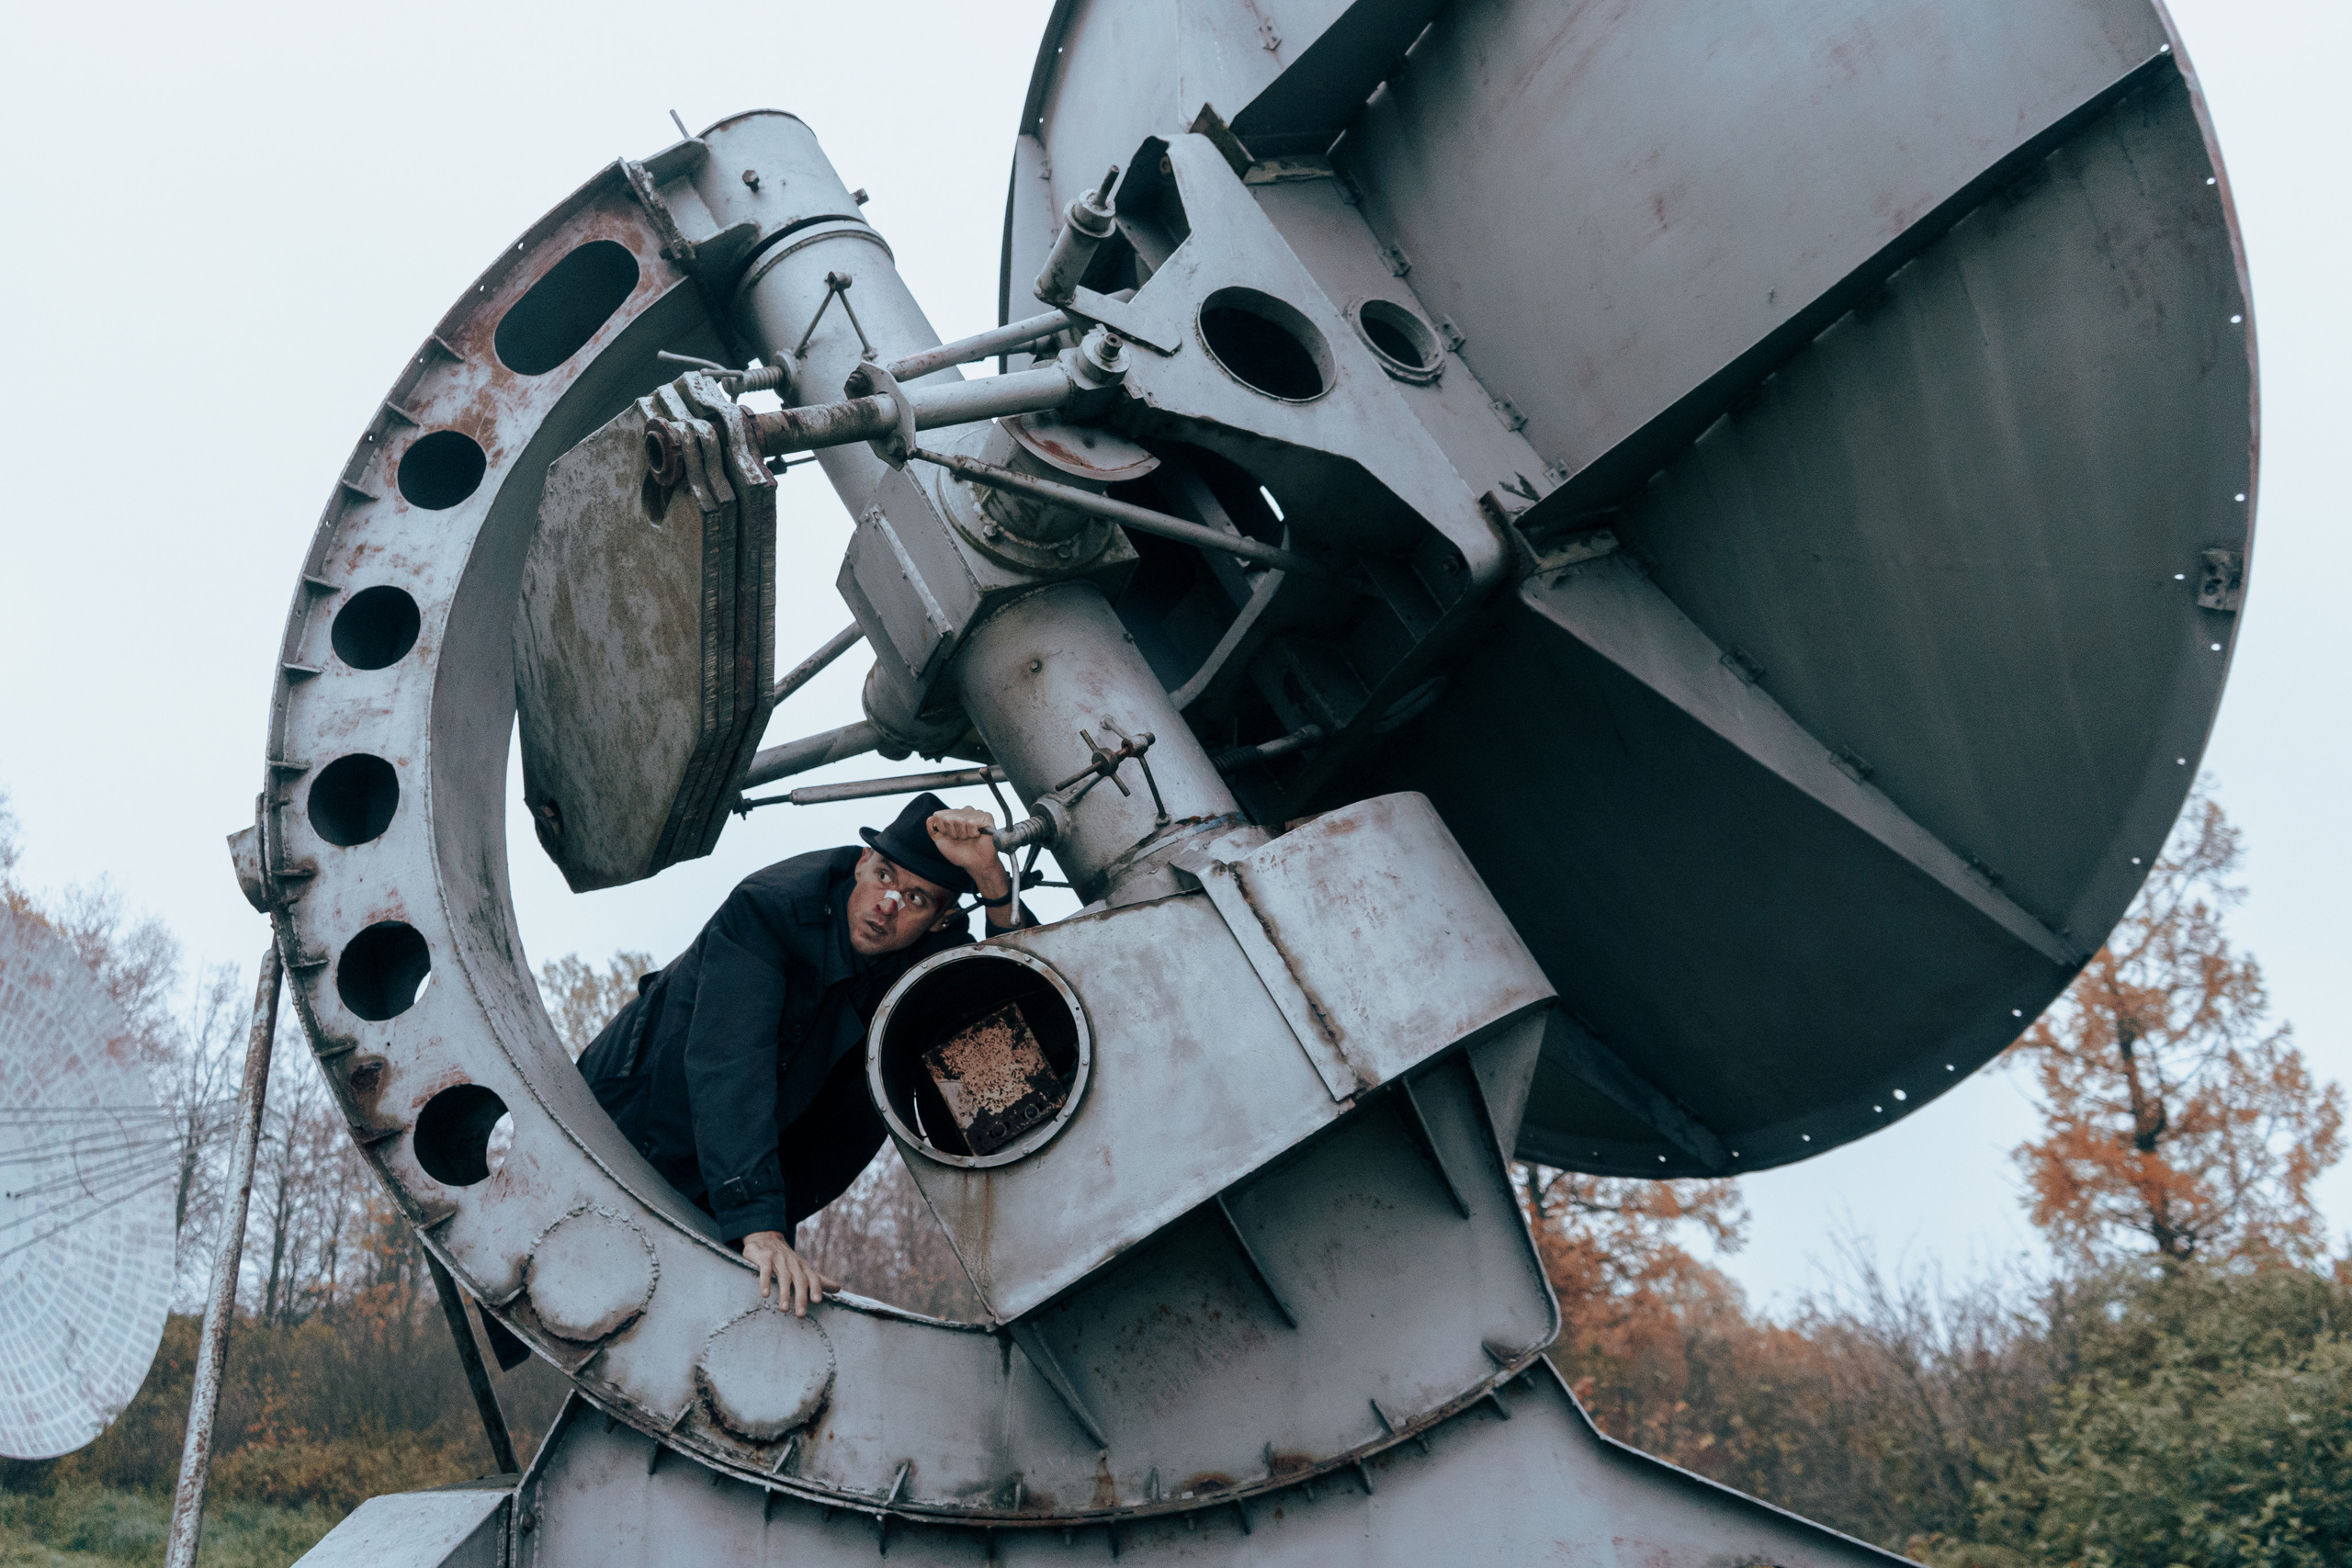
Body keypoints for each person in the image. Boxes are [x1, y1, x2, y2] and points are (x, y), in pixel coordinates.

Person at [577, 794, 1022, 1315]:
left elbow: (1007, 1030)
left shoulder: (928, 965)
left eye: (917, 900)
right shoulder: (770, 908)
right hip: (635, 1128)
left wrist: (994, 883)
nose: (888, 906)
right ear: (861, 863)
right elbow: (730, 1064)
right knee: (583, 1301)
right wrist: (759, 1225)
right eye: (883, 877)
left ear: (941, 922)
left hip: (754, 1180)